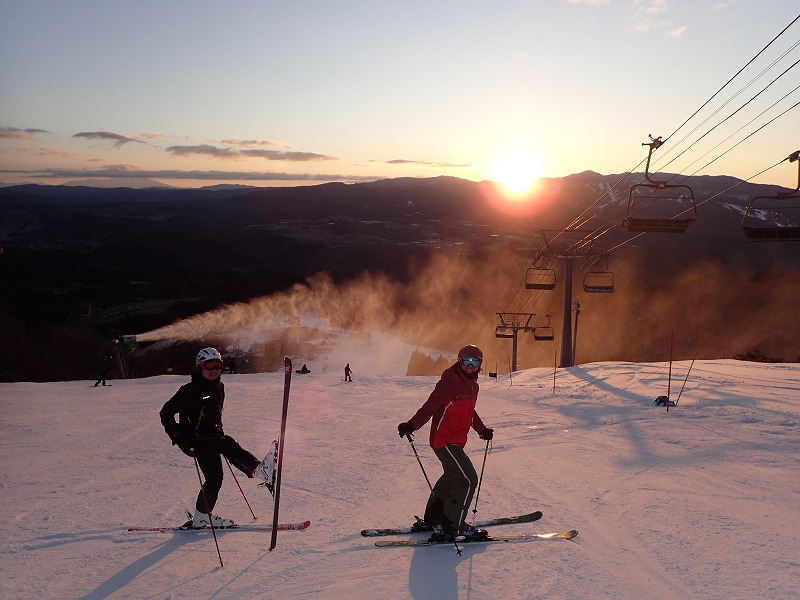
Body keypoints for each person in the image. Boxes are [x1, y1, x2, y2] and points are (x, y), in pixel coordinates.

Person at [160, 347, 274, 528]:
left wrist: (217, 431)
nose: (214, 369)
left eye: (218, 365)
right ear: (200, 366)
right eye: (209, 365)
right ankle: (259, 470)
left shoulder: (218, 387)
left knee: (215, 479)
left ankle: (201, 517)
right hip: (193, 441)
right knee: (226, 443)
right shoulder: (188, 391)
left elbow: (214, 416)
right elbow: (165, 413)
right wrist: (179, 437)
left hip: (210, 440)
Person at [397, 344, 494, 542]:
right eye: (465, 361)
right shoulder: (448, 383)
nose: (469, 366)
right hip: (444, 439)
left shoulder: (473, 386)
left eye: (474, 362)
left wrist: (481, 430)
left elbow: (470, 412)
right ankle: (454, 525)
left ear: (480, 365)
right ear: (459, 360)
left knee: (452, 477)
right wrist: (411, 425)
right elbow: (430, 406)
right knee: (467, 480)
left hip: (457, 441)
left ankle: (434, 517)